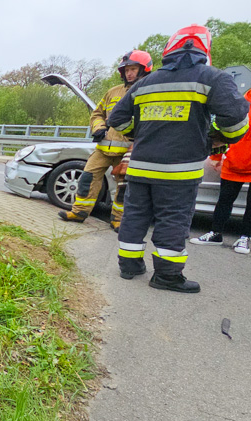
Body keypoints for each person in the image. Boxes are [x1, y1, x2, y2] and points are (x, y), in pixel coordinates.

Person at [108, 24, 250, 293]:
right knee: (172, 220)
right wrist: (216, 138)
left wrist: (141, 134)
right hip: (179, 171)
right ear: (204, 50)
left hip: (140, 167)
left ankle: (129, 266)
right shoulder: (213, 78)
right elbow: (237, 120)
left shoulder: (146, 83)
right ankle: (167, 276)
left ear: (169, 49)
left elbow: (117, 118)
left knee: (135, 217)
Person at [59, 50, 152, 231]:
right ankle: (79, 212)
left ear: (144, 70)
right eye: (126, 70)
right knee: (87, 178)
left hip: (128, 151)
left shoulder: (148, 93)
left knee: (124, 187)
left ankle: (118, 219)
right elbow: (97, 114)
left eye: (133, 69)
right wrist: (98, 128)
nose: (129, 73)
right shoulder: (113, 92)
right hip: (103, 148)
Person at [190, 88, 251, 252]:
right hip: (233, 163)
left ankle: (245, 238)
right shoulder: (240, 103)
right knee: (224, 201)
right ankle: (215, 234)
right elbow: (223, 130)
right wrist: (216, 157)